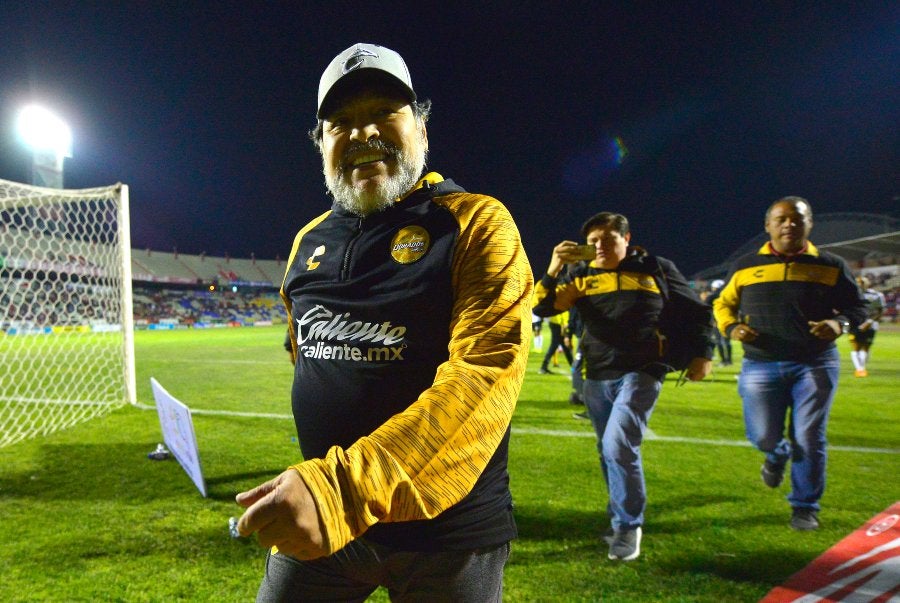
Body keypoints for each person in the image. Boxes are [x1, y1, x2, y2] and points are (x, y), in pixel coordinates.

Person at [234, 43, 533, 602]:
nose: (361, 132)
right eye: (340, 123)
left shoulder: (476, 223)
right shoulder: (308, 242)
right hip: (330, 527)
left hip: (447, 535)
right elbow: (304, 348)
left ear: (421, 128)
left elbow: (483, 378)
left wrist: (341, 491)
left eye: (382, 114)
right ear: (320, 145)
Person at [533, 211, 714, 561]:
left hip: (644, 369)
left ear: (626, 239)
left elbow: (697, 311)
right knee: (607, 449)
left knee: (619, 445)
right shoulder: (579, 274)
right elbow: (542, 307)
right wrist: (554, 267)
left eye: (608, 239)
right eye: (593, 242)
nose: (600, 246)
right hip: (596, 373)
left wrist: (703, 354)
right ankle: (620, 516)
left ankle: (629, 526)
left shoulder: (655, 268)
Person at [712, 196, 867, 531]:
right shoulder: (744, 265)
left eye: (797, 218)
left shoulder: (831, 265)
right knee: (762, 437)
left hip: (815, 363)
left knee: (809, 436)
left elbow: (859, 308)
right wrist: (731, 327)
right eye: (781, 219)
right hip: (760, 364)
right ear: (768, 225)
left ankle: (805, 506)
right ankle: (776, 453)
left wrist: (839, 325)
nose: (789, 224)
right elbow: (722, 304)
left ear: (809, 224)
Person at [848, 275, 886, 377]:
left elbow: (880, 310)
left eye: (862, 282)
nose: (860, 284)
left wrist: (869, 322)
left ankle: (862, 368)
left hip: (871, 325)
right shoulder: (849, 295)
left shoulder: (876, 295)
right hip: (854, 324)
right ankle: (859, 369)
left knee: (866, 347)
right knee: (855, 347)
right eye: (858, 282)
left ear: (867, 283)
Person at [706, 279, 733, 366]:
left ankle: (724, 361)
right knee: (727, 342)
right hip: (727, 321)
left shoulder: (711, 297)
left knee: (719, 341)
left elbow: (707, 310)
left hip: (716, 322)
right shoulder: (727, 295)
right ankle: (729, 360)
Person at [539, 310, 573, 374]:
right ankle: (543, 367)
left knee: (564, 347)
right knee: (554, 346)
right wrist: (564, 327)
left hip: (555, 322)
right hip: (558, 324)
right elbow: (564, 314)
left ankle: (574, 367)